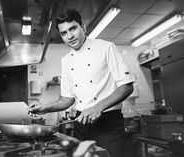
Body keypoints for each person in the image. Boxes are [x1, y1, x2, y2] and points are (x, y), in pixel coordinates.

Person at [28, 8, 135, 157]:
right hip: (81, 123)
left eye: (73, 28)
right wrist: (46, 108)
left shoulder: (106, 47)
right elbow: (67, 99)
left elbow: (127, 86)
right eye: (64, 33)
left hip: (108, 123)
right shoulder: (66, 61)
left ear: (83, 27)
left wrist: (98, 108)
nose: (69, 36)